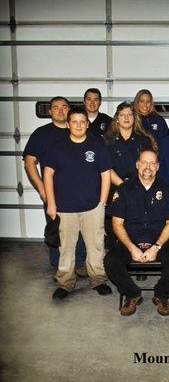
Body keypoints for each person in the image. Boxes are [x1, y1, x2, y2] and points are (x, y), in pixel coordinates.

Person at [43, 107, 112, 300]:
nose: (79, 125)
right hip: (64, 208)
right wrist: (51, 203)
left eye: (83, 122)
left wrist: (102, 202)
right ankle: (65, 282)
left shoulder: (98, 145)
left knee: (96, 246)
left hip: (92, 207)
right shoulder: (57, 147)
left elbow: (105, 174)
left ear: (88, 124)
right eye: (75, 122)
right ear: (68, 124)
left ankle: (98, 279)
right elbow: (48, 174)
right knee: (65, 247)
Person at [104, 149, 169, 316]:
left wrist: (156, 247)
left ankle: (161, 295)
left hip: (158, 240)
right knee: (110, 260)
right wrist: (131, 248)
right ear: (137, 165)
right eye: (144, 162)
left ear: (158, 166)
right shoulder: (124, 189)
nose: (148, 166)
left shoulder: (168, 190)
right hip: (130, 239)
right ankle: (132, 293)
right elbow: (117, 224)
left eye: (152, 163)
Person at [23, 96, 86, 274]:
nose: (60, 110)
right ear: (50, 112)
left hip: (79, 194)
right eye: (56, 107)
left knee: (80, 230)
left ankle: (79, 263)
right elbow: (29, 162)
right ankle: (59, 267)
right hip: (54, 193)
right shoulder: (41, 134)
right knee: (56, 231)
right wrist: (42, 189)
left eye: (64, 107)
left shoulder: (78, 130)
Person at [103, 102, 157, 247]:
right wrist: (124, 186)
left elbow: (149, 165)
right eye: (122, 115)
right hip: (116, 190)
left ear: (134, 118)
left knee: (138, 227)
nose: (126, 118)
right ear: (117, 119)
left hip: (140, 191)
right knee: (114, 230)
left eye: (129, 115)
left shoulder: (144, 140)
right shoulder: (108, 141)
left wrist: (136, 187)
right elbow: (105, 168)